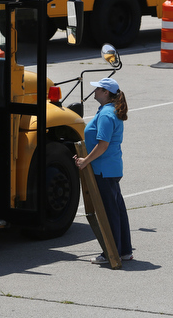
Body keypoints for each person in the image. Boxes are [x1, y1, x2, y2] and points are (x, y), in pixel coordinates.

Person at [74, 77, 133, 264]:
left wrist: (85, 161)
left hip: (104, 170)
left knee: (108, 212)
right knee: (117, 210)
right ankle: (124, 251)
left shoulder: (107, 114)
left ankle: (111, 252)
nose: (95, 91)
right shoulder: (107, 110)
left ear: (106, 92)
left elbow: (103, 145)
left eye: (97, 89)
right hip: (110, 168)